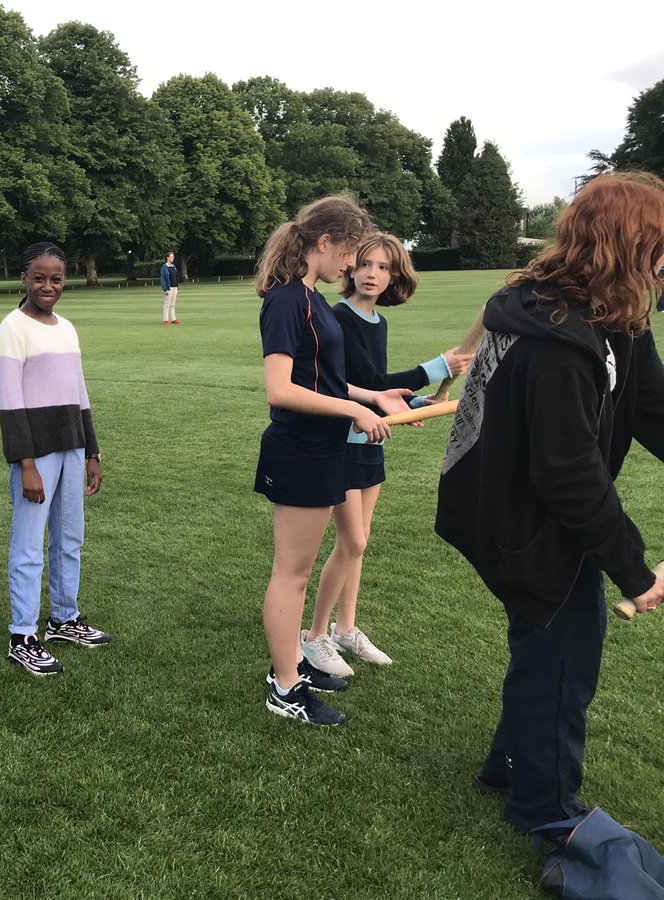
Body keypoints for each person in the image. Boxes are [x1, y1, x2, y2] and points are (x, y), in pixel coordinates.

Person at [436, 172, 664, 837]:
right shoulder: (555, 335)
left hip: (524, 511)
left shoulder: (614, 315)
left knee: (545, 645)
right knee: (564, 658)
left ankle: (507, 765)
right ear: (628, 244)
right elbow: (569, 476)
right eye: (659, 247)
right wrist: (635, 568)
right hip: (521, 521)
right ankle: (545, 809)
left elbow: (651, 406)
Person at [254, 196, 413, 727]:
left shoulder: (311, 298)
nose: (352, 266)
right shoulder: (285, 301)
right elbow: (280, 389)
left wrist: (373, 397)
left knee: (317, 560)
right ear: (325, 243)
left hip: (322, 449)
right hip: (298, 449)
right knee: (292, 572)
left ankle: (295, 662)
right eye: (348, 254)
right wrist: (350, 407)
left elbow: (322, 379)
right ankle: (284, 687)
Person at [302, 233, 473, 677]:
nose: (372, 274)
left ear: (394, 276)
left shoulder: (377, 321)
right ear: (351, 270)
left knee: (358, 545)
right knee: (351, 540)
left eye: (383, 267)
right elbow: (364, 379)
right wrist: (436, 368)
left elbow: (380, 392)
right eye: (365, 265)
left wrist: (416, 404)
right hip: (342, 441)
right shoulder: (339, 317)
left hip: (371, 443)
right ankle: (315, 636)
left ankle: (346, 629)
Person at [0, 241, 109, 676]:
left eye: (56, 278)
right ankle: (23, 634)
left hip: (72, 446)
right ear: (23, 279)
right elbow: (10, 403)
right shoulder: (12, 328)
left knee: (70, 538)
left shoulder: (67, 327)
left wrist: (92, 450)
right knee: (29, 545)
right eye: (39, 278)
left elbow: (79, 394)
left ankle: (64, 618)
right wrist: (25, 463)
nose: (48, 286)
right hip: (35, 454)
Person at [160, 251, 180, 324]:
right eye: (171, 257)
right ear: (167, 258)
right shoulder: (164, 267)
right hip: (168, 288)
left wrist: (177, 287)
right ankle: (166, 320)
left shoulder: (173, 266)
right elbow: (163, 279)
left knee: (173, 304)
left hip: (175, 287)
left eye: (173, 256)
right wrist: (164, 289)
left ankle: (173, 319)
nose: (173, 258)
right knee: (167, 304)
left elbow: (175, 277)